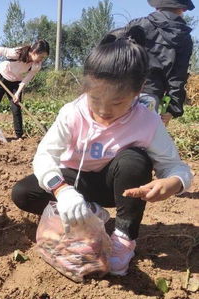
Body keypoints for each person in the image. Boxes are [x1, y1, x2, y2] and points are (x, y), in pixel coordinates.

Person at [11, 27, 193, 276]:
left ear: (137, 91)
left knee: (134, 160)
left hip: (116, 188)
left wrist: (173, 182)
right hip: (75, 182)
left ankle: (124, 238)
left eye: (117, 102)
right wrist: (62, 191)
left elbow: (177, 167)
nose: (104, 111)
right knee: (23, 193)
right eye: (95, 99)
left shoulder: (147, 121)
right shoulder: (73, 113)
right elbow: (44, 156)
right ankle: (84, 218)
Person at [128, 0, 195, 124]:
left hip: (123, 94)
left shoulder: (137, 25)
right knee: (143, 139)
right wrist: (172, 108)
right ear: (183, 9)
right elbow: (178, 77)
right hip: (151, 98)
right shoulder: (183, 37)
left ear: (156, 5)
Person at [0, 40, 50, 140]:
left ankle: (19, 136)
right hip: (1, 77)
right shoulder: (17, 52)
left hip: (16, 82)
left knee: (16, 109)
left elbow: (26, 80)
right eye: (41, 56)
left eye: (44, 57)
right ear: (35, 52)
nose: (41, 60)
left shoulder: (36, 65)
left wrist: (17, 93)